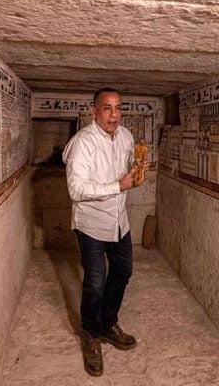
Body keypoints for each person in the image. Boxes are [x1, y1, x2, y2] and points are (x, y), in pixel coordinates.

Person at [62, 87, 147, 377]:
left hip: (119, 221)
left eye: (118, 108)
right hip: (91, 224)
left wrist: (136, 171)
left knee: (123, 272)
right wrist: (118, 186)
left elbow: (127, 171)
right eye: (107, 108)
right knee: (95, 283)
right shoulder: (82, 143)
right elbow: (76, 189)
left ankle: (108, 324)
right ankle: (91, 334)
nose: (114, 115)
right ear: (94, 111)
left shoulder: (125, 136)